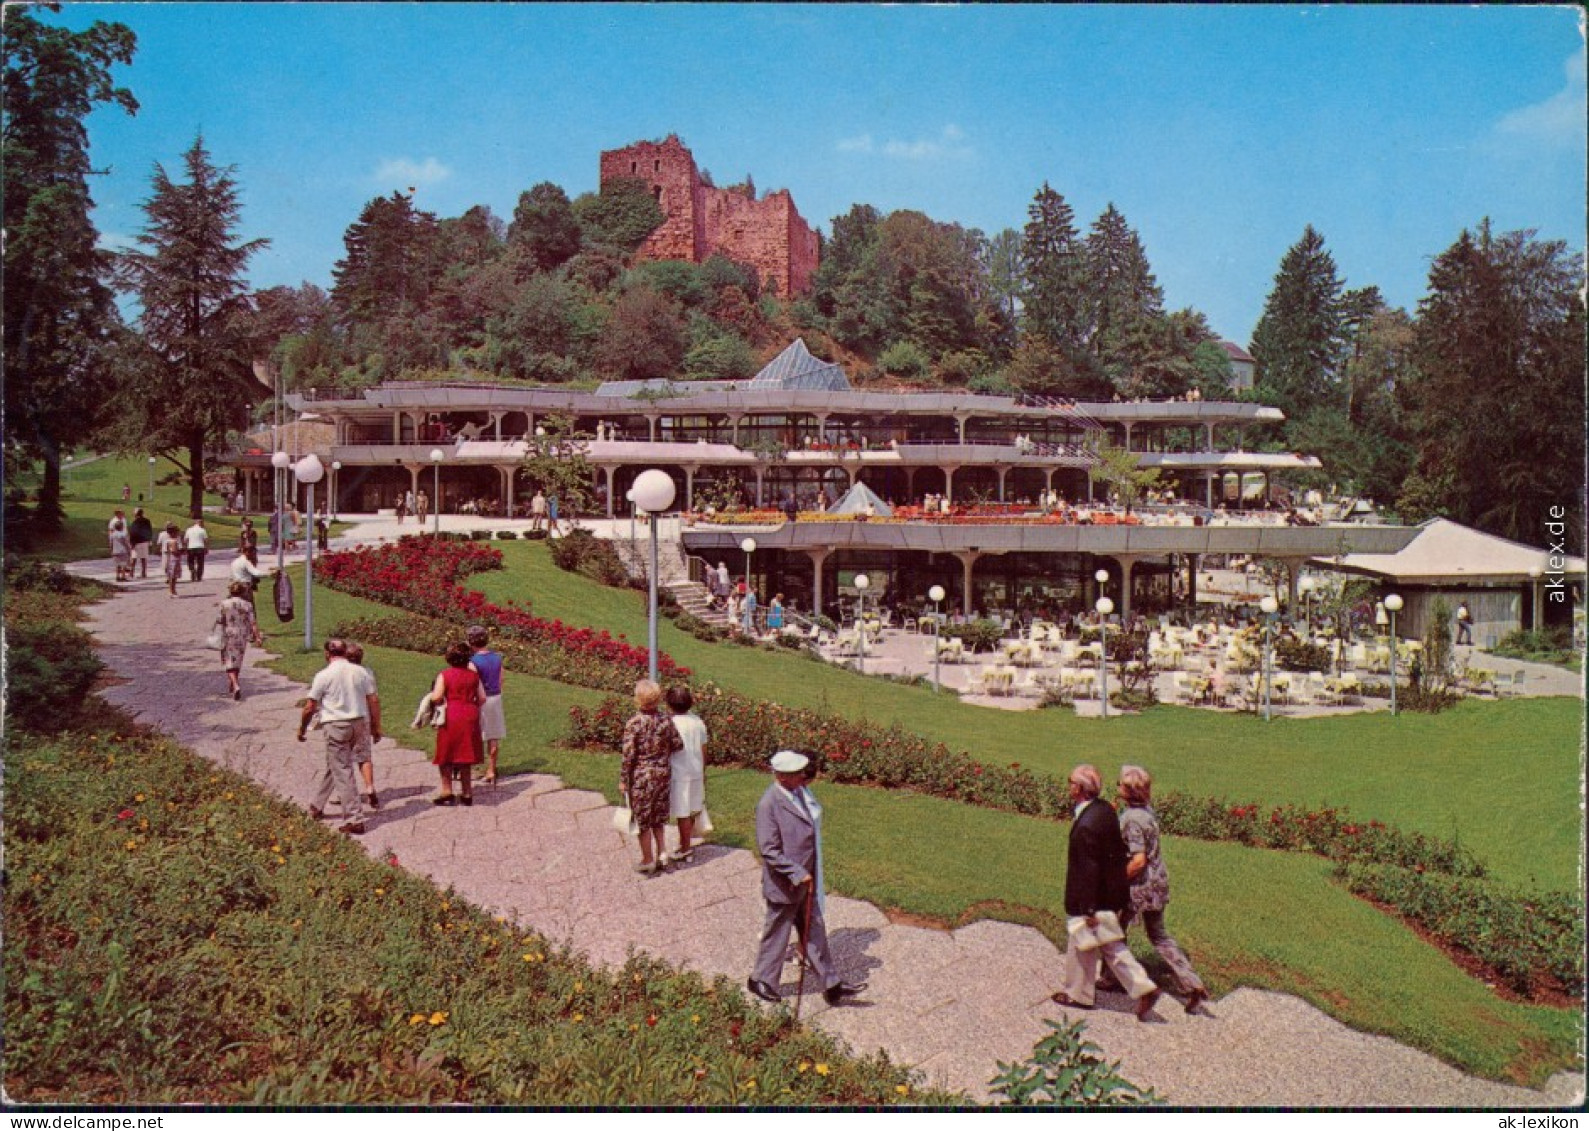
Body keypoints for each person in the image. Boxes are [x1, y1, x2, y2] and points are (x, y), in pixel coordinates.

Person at [747, 750, 867, 1006]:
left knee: (814, 931)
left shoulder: (799, 792)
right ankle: (761, 980)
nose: (803, 775)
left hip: (806, 882)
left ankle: (831, 984)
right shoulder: (769, 804)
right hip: (785, 884)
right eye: (796, 773)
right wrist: (798, 872)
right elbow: (769, 850)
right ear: (780, 776)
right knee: (777, 932)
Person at [1051, 763, 1161, 1020]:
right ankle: (1142, 988)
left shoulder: (1087, 825)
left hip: (1092, 896)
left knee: (1083, 940)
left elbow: (1088, 869)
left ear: (1078, 788)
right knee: (1109, 944)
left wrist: (1088, 907)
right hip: (1110, 892)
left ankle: (1078, 994)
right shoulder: (1104, 810)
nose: (1068, 785)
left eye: (1070, 782)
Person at [1116, 765, 1208, 1013]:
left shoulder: (1132, 820)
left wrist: (1117, 879)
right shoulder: (1147, 813)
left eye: (1120, 784)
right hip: (1158, 881)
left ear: (1128, 791)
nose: (1116, 787)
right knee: (1159, 936)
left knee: (1115, 932)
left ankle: (1118, 978)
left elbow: (1138, 859)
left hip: (1139, 885)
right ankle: (1191, 982)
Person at [298, 638, 380, 835]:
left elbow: (310, 706)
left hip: (337, 725)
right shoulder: (361, 672)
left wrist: (302, 728)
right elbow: (373, 700)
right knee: (335, 765)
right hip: (359, 722)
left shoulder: (324, 675)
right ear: (344, 652)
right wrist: (376, 727)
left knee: (342, 769)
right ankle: (317, 806)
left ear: (327, 654)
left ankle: (354, 818)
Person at [621, 679, 681, 875]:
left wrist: (623, 779)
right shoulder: (666, 720)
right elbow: (678, 744)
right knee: (659, 816)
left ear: (638, 699)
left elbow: (629, 755)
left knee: (643, 819)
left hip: (642, 777)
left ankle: (648, 859)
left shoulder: (634, 723)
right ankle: (662, 852)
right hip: (663, 773)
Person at [428, 640, 486, 805]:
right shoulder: (474, 676)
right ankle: (467, 793)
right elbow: (482, 698)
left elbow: (437, 696)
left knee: (446, 753)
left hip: (452, 714)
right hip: (469, 713)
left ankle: (447, 791)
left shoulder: (445, 675)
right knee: (465, 754)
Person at [664, 685, 707, 862]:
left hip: (679, 773)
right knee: (692, 807)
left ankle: (685, 847)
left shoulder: (669, 723)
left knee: (682, 811)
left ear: (669, 704)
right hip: (695, 770)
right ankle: (687, 840)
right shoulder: (698, 722)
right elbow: (704, 748)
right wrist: (703, 769)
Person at [467, 625, 505, 786]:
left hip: (480, 699)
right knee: (493, 735)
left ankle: (467, 767)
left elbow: (473, 683)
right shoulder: (497, 658)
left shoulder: (473, 662)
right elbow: (501, 678)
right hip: (495, 697)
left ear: (470, 642)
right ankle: (491, 769)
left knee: (473, 734)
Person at [216, 580, 264, 701]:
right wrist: (257, 636)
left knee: (228, 660)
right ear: (242, 591)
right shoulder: (247, 605)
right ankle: (232, 684)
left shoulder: (224, 604)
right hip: (242, 634)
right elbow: (253, 622)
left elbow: (220, 619)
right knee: (237, 659)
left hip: (228, 633)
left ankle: (235, 685)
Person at [346, 642, 381, 810]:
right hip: (363, 718)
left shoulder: (340, 673)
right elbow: (373, 699)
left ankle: (346, 793)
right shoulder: (367, 673)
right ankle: (369, 787)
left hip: (342, 719)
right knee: (364, 756)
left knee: (342, 759)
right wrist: (376, 725)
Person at [157, 522, 183, 597]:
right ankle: (172, 591)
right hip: (174, 560)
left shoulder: (168, 541)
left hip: (171, 559)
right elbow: (174, 551)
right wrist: (181, 552)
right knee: (173, 576)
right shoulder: (173, 541)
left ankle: (172, 590)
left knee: (173, 576)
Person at [128, 508, 154, 578]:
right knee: (143, 558)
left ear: (136, 514)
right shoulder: (147, 521)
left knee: (134, 558)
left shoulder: (135, 522)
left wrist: (131, 543)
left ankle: (131, 573)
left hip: (136, 542)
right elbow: (150, 531)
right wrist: (149, 540)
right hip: (145, 541)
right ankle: (143, 573)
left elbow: (133, 533)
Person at [183, 517, 210, 581]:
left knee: (190, 561)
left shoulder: (189, 530)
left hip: (191, 547)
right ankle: (199, 576)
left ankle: (192, 570)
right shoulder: (202, 530)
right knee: (200, 563)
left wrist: (185, 547)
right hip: (200, 547)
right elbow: (206, 540)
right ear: (200, 523)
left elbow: (185, 540)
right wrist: (206, 548)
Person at [108, 517, 133, 581]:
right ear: (122, 527)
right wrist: (129, 549)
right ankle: (123, 576)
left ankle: (117, 576)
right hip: (123, 551)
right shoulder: (124, 534)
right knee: (123, 564)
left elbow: (111, 543)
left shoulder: (112, 535)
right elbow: (126, 543)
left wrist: (111, 550)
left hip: (115, 551)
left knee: (117, 564)